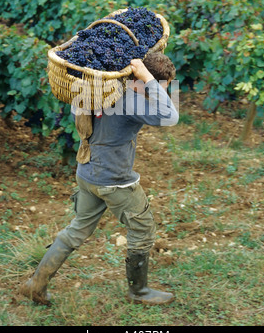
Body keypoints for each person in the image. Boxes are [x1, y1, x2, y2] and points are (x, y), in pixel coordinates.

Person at [20, 52, 178, 306]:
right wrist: (147, 78)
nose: (158, 93)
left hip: (87, 173)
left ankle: (35, 284)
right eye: (159, 88)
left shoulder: (97, 90)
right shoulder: (130, 101)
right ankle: (138, 291)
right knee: (142, 228)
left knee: (77, 229)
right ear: (139, 78)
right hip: (114, 181)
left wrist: (144, 78)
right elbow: (171, 116)